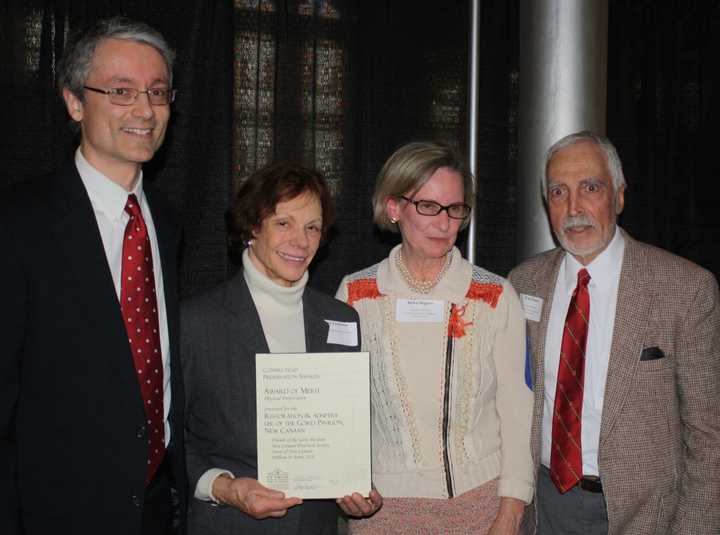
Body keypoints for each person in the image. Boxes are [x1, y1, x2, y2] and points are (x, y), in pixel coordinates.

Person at [0, 17, 187, 535]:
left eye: (157, 92)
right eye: (121, 91)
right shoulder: (19, 222)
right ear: (74, 102)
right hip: (52, 511)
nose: (145, 111)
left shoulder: (166, 222)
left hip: (155, 506)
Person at [509, 131, 720, 534]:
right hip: (545, 508)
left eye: (590, 188)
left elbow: (708, 438)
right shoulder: (523, 284)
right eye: (558, 192)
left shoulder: (685, 289)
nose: (574, 208)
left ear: (619, 196)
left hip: (645, 515)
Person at [336, 141, 533, 534]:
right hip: (381, 510)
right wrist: (343, 480)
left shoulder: (494, 295)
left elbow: (517, 408)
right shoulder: (354, 294)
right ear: (394, 208)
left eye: (455, 209)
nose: (444, 224)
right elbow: (338, 407)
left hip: (482, 504)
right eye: (428, 206)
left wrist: (512, 509)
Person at [181, 162, 382, 534]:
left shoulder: (341, 320)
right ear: (252, 228)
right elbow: (168, 439)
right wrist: (224, 488)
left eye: (312, 227)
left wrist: (355, 484)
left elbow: (343, 431)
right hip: (229, 525)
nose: (300, 241)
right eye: (284, 223)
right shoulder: (195, 322)